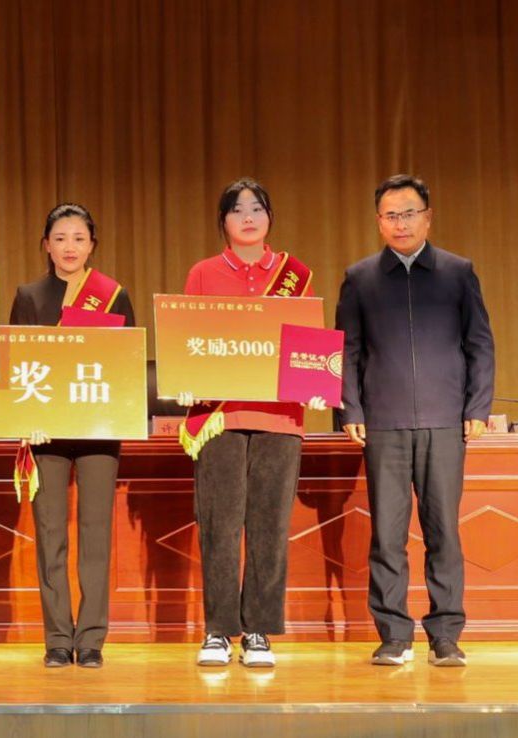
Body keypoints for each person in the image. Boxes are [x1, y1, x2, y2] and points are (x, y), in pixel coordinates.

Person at [335, 174, 495, 667]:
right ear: (378, 222)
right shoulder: (360, 277)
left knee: (443, 530)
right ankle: (393, 635)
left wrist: (477, 407)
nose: (400, 223)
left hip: (445, 420)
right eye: (391, 215)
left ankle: (445, 635)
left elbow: (479, 344)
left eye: (409, 213)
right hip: (383, 421)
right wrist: (350, 409)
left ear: (427, 217)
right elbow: (347, 350)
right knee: (387, 534)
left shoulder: (457, 272)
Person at [178, 177, 326, 667]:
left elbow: (309, 344)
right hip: (219, 416)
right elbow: (187, 340)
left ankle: (258, 630)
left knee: (269, 525)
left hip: (280, 417)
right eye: (237, 209)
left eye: (257, 208)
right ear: (222, 220)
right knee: (219, 525)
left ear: (269, 217)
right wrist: (184, 379)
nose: (247, 217)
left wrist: (317, 383)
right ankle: (219, 630)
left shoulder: (294, 275)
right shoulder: (203, 273)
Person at [9, 203, 135, 669]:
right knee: (50, 534)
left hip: (99, 429)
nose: (69, 247)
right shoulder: (28, 296)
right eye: (60, 238)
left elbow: (125, 364)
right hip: (47, 432)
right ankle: (58, 638)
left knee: (96, 535)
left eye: (79, 238)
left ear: (91, 245)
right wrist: (25, 418)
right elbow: (17, 363)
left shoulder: (113, 295)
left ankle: (93, 638)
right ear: (46, 244)